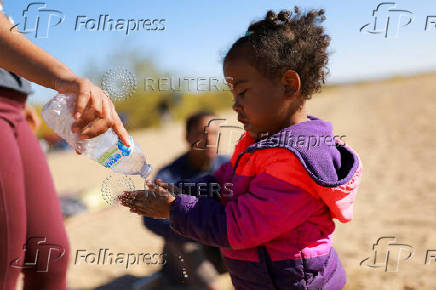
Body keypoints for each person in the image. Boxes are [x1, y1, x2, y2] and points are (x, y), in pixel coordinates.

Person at [120, 6, 363, 290]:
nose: (235, 104)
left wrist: (175, 209)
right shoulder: (262, 141)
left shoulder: (295, 160)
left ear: (288, 85)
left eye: (243, 92)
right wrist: (183, 191)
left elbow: (240, 228)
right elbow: (228, 180)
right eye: (233, 94)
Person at [0, 3, 130, 289]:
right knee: (6, 263)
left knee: (50, 256)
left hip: (15, 107)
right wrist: (66, 79)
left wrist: (17, 98)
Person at [141, 110, 230, 290]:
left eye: (214, 134)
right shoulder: (169, 175)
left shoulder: (228, 167)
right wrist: (196, 226)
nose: (210, 140)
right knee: (179, 226)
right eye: (202, 134)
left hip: (223, 247)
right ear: (188, 137)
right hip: (187, 254)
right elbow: (149, 217)